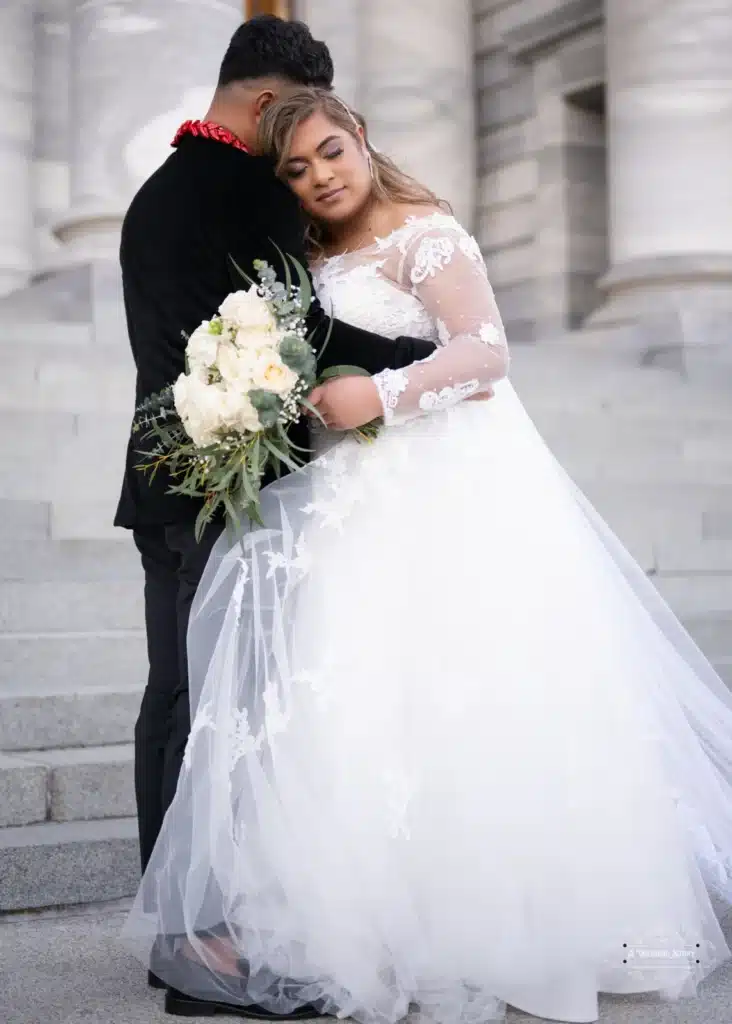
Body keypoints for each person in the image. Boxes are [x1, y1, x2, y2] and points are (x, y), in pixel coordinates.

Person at [123, 89, 732, 1024]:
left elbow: (485, 353)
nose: (322, 176)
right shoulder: (308, 258)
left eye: (332, 151)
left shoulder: (426, 230)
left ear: (362, 138)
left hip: (442, 485)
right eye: (297, 169)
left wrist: (385, 395)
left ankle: (494, 918)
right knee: (359, 696)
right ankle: (374, 916)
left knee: (456, 687)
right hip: (345, 501)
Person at [114, 16, 441, 995]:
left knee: (174, 699)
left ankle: (175, 925)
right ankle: (202, 941)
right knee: (230, 708)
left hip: (164, 477)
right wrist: (415, 362)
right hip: (235, 480)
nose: (298, 153)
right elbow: (295, 322)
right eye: (291, 126)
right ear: (262, 105)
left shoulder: (156, 194)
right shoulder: (239, 189)